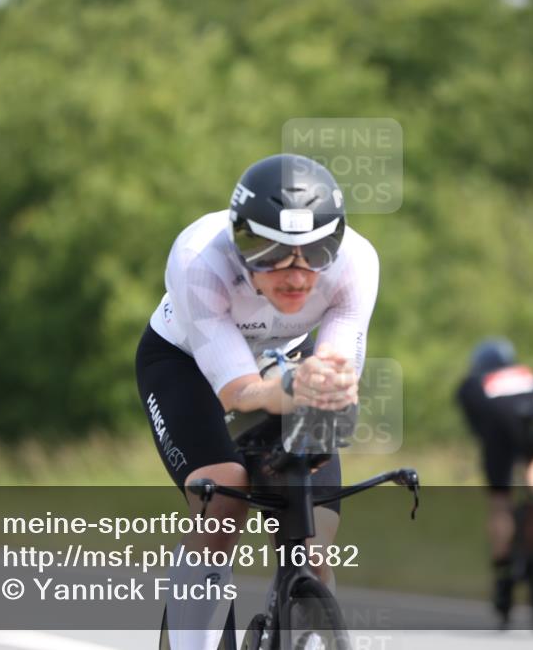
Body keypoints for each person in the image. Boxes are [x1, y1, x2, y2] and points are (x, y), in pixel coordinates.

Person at [135, 154, 379, 650]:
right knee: (224, 496)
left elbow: (334, 363)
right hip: (187, 364)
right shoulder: (199, 259)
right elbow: (238, 392)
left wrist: (330, 383)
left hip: (285, 363)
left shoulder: (356, 260)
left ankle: (302, 625)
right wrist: (292, 389)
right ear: (241, 240)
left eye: (315, 252)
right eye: (272, 252)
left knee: (316, 536)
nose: (295, 275)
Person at [455, 338, 533, 631]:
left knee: (500, 500)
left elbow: (478, 428)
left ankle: (503, 569)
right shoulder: (528, 374)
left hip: (497, 428)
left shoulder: (473, 382)